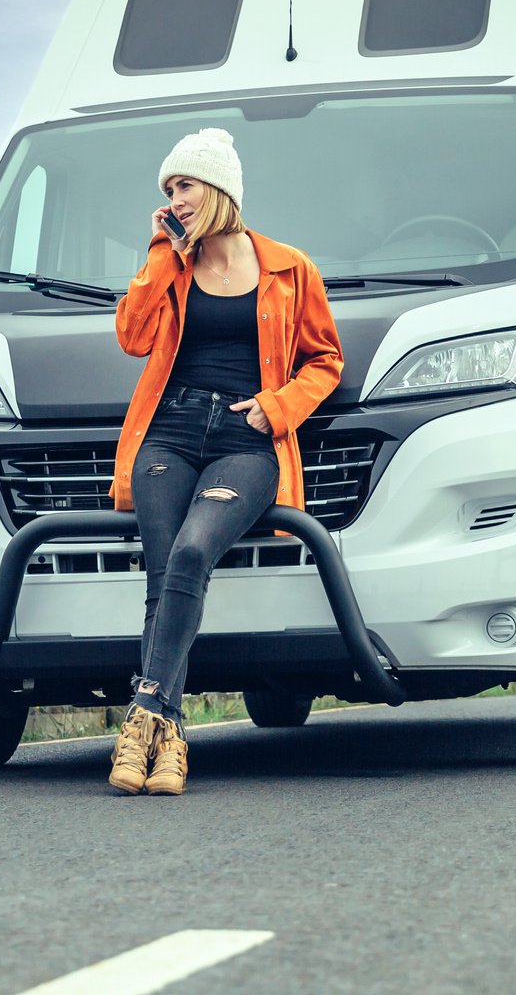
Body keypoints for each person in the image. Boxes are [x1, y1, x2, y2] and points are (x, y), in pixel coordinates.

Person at [104, 127, 343, 795]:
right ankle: (168, 739)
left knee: (188, 555)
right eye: (167, 191)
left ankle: (143, 716)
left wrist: (279, 406)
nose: (173, 199)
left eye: (182, 185)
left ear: (216, 189)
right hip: (170, 433)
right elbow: (131, 335)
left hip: (245, 441)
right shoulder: (172, 263)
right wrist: (159, 249)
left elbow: (325, 359)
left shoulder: (289, 268)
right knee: (161, 576)